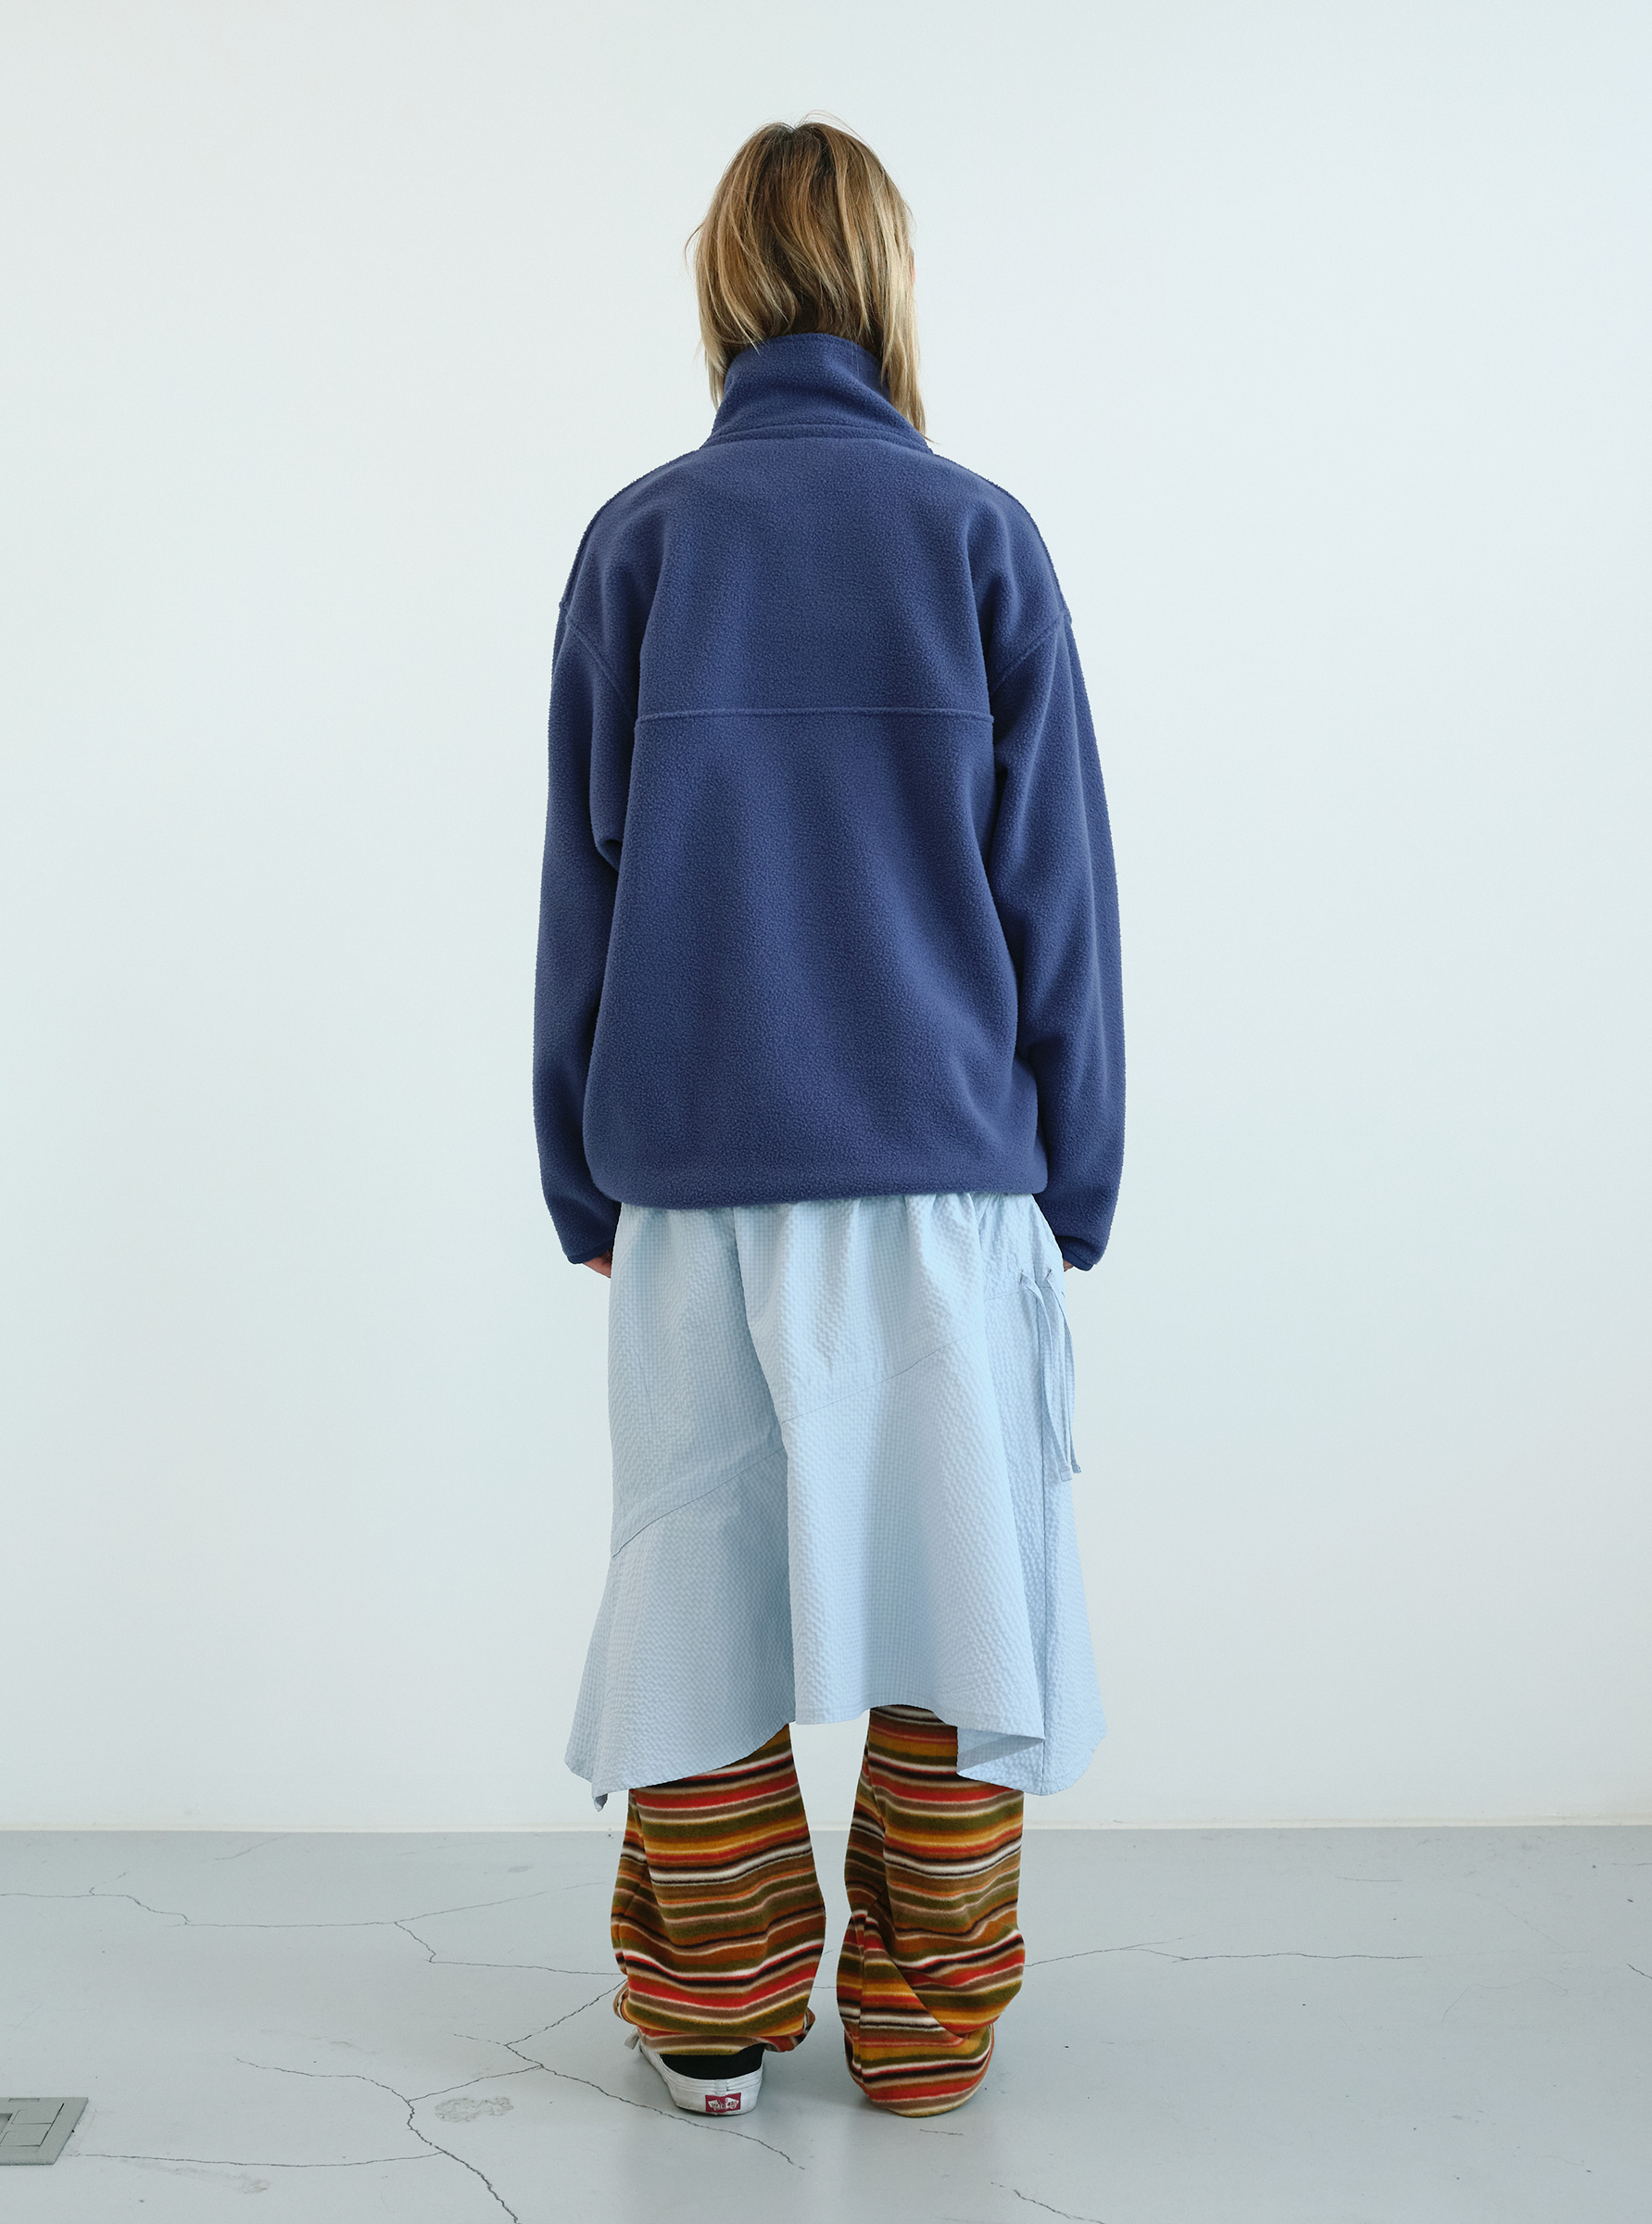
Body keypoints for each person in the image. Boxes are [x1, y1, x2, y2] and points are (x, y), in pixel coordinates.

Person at [533, 119, 1123, 2121]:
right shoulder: (977, 536)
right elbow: (1058, 896)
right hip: (942, 1180)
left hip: (694, 1178)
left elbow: (583, 890)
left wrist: (579, 1170)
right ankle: (927, 2027)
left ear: (723, 287)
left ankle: (712, 2016)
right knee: (959, 1605)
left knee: (695, 1590)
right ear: (886, 282)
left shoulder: (641, 542)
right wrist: (1077, 1174)